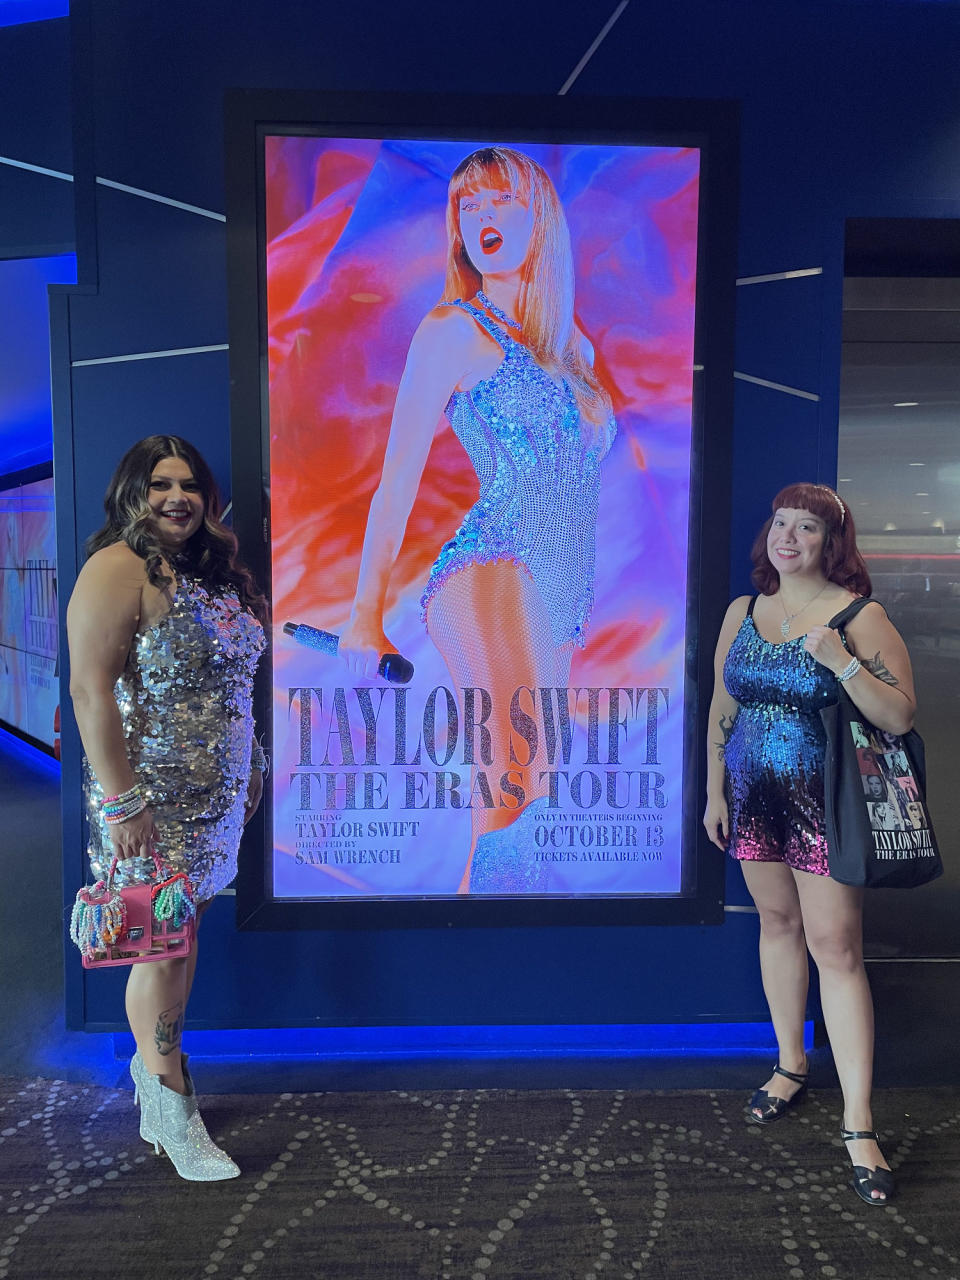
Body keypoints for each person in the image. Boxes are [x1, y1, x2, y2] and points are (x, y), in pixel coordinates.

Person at [337, 146, 616, 893]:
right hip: (492, 567)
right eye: (470, 205)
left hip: (558, 594)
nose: (482, 218)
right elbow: (396, 483)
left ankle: (496, 969)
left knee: (532, 797)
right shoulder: (452, 331)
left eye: (503, 203)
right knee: (514, 784)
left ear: (542, 220)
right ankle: (485, 966)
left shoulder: (573, 345)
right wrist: (365, 614)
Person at [704, 482, 917, 1206]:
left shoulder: (860, 616)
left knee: (838, 949)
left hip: (823, 802)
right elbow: (721, 710)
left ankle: (860, 1122)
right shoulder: (743, 611)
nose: (788, 537)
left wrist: (844, 663)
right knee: (777, 925)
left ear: (832, 544)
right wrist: (713, 792)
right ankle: (791, 1064)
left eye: (808, 528)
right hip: (752, 797)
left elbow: (899, 715)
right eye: (780, 523)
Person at [67, 435, 267, 1180]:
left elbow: (233, 688)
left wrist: (255, 764)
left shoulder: (207, 574)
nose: (176, 496)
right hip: (148, 803)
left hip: (214, 801)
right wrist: (123, 804)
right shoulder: (115, 570)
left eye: (188, 483)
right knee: (161, 947)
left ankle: (161, 1070)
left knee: (182, 939)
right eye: (159, 484)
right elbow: (90, 692)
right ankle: (169, 1102)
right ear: (132, 492)